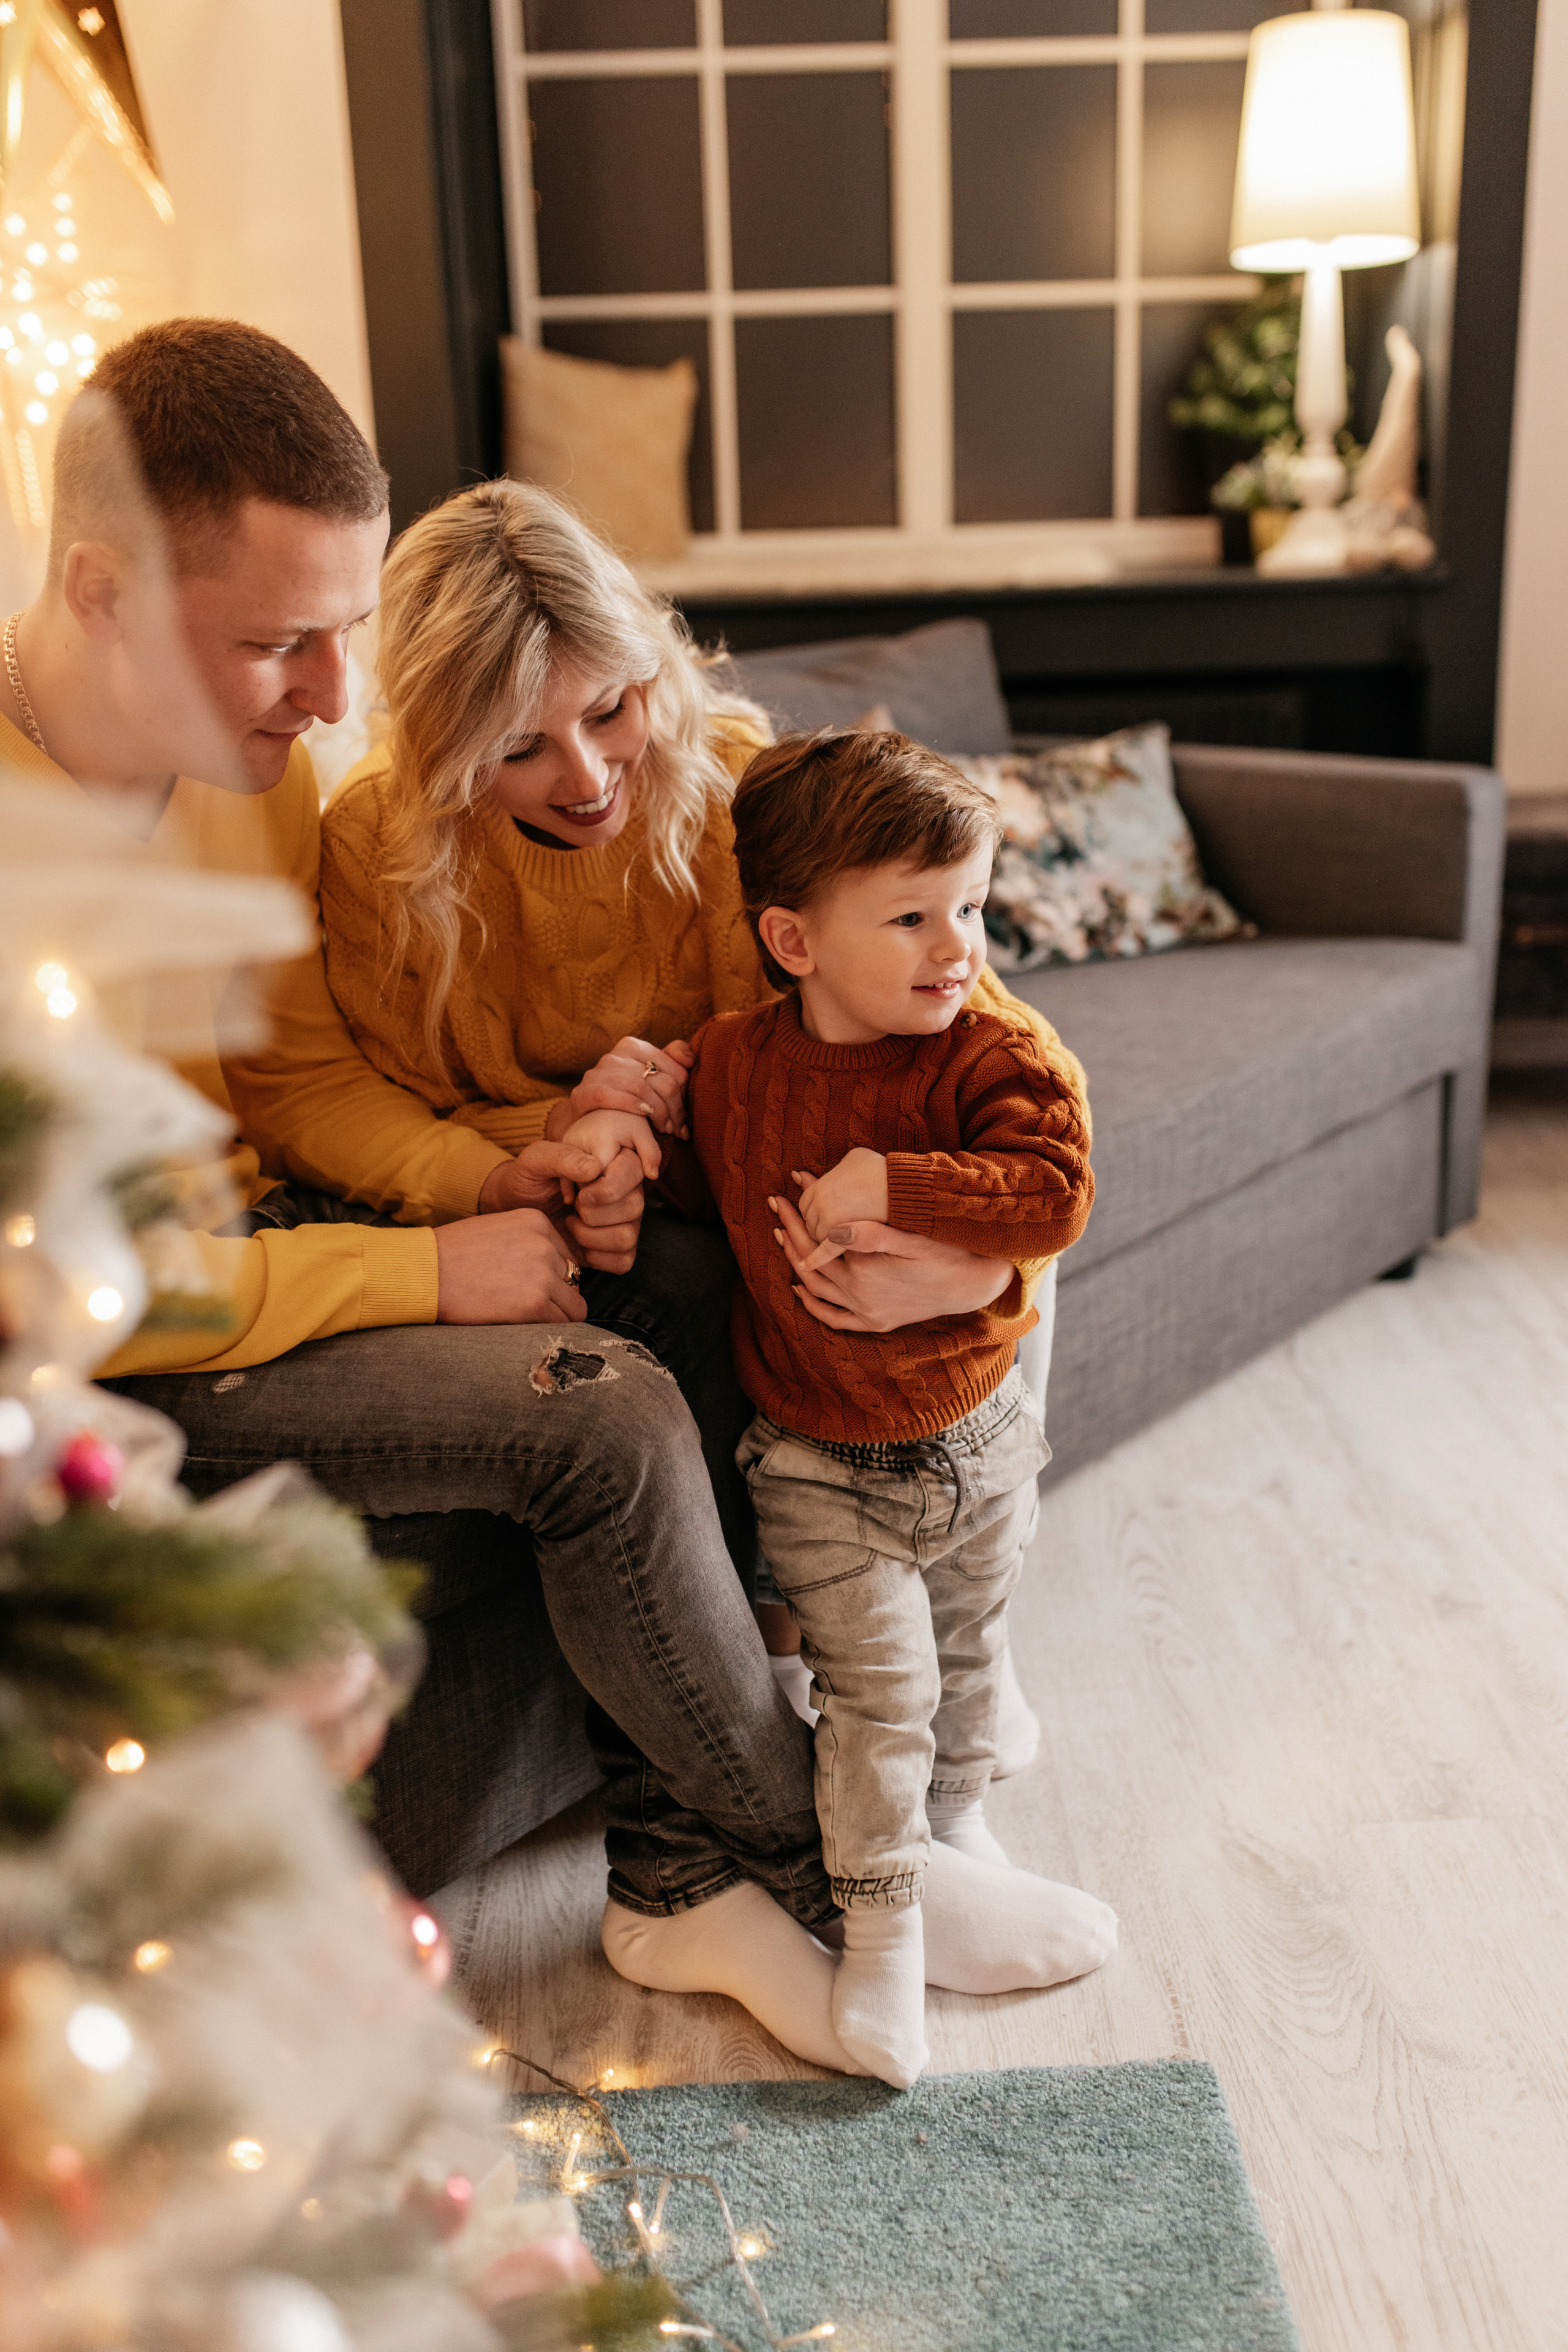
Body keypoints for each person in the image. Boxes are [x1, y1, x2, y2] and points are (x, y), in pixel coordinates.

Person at [10, 317, 1091, 2085]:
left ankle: (768, 1829)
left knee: (688, 1295)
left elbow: (286, 1077)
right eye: (287, 643)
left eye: (346, 635)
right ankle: (851, 1863)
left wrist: (578, 1164)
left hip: (280, 1244)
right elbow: (99, 1277)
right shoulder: (220, 825)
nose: (335, 698)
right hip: (110, 1360)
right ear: (102, 590)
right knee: (599, 1413)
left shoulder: (253, 777)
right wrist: (434, 1254)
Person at [309, 478, 1060, 1733]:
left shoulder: (729, 781)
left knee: (960, 1221)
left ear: (650, 662)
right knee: (706, 1280)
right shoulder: (375, 846)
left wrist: (983, 1274)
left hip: (792, 1163)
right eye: (517, 746)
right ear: (442, 747)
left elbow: (1015, 1064)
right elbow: (395, 1095)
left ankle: (957, 1638)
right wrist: (559, 1144)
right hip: (598, 1203)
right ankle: (798, 1651)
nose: (590, 774)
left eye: (610, 709)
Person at [656, 729, 1115, 2085]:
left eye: (968, 907)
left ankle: (960, 1831)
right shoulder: (735, 1065)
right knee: (877, 1693)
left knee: (969, 1658)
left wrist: (893, 1187)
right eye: (910, 917)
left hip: (976, 1440)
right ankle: (881, 1934)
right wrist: (620, 1131)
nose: (954, 945)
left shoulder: (982, 1056)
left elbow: (1055, 1191)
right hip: (813, 1458)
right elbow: (702, 1192)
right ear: (792, 942)